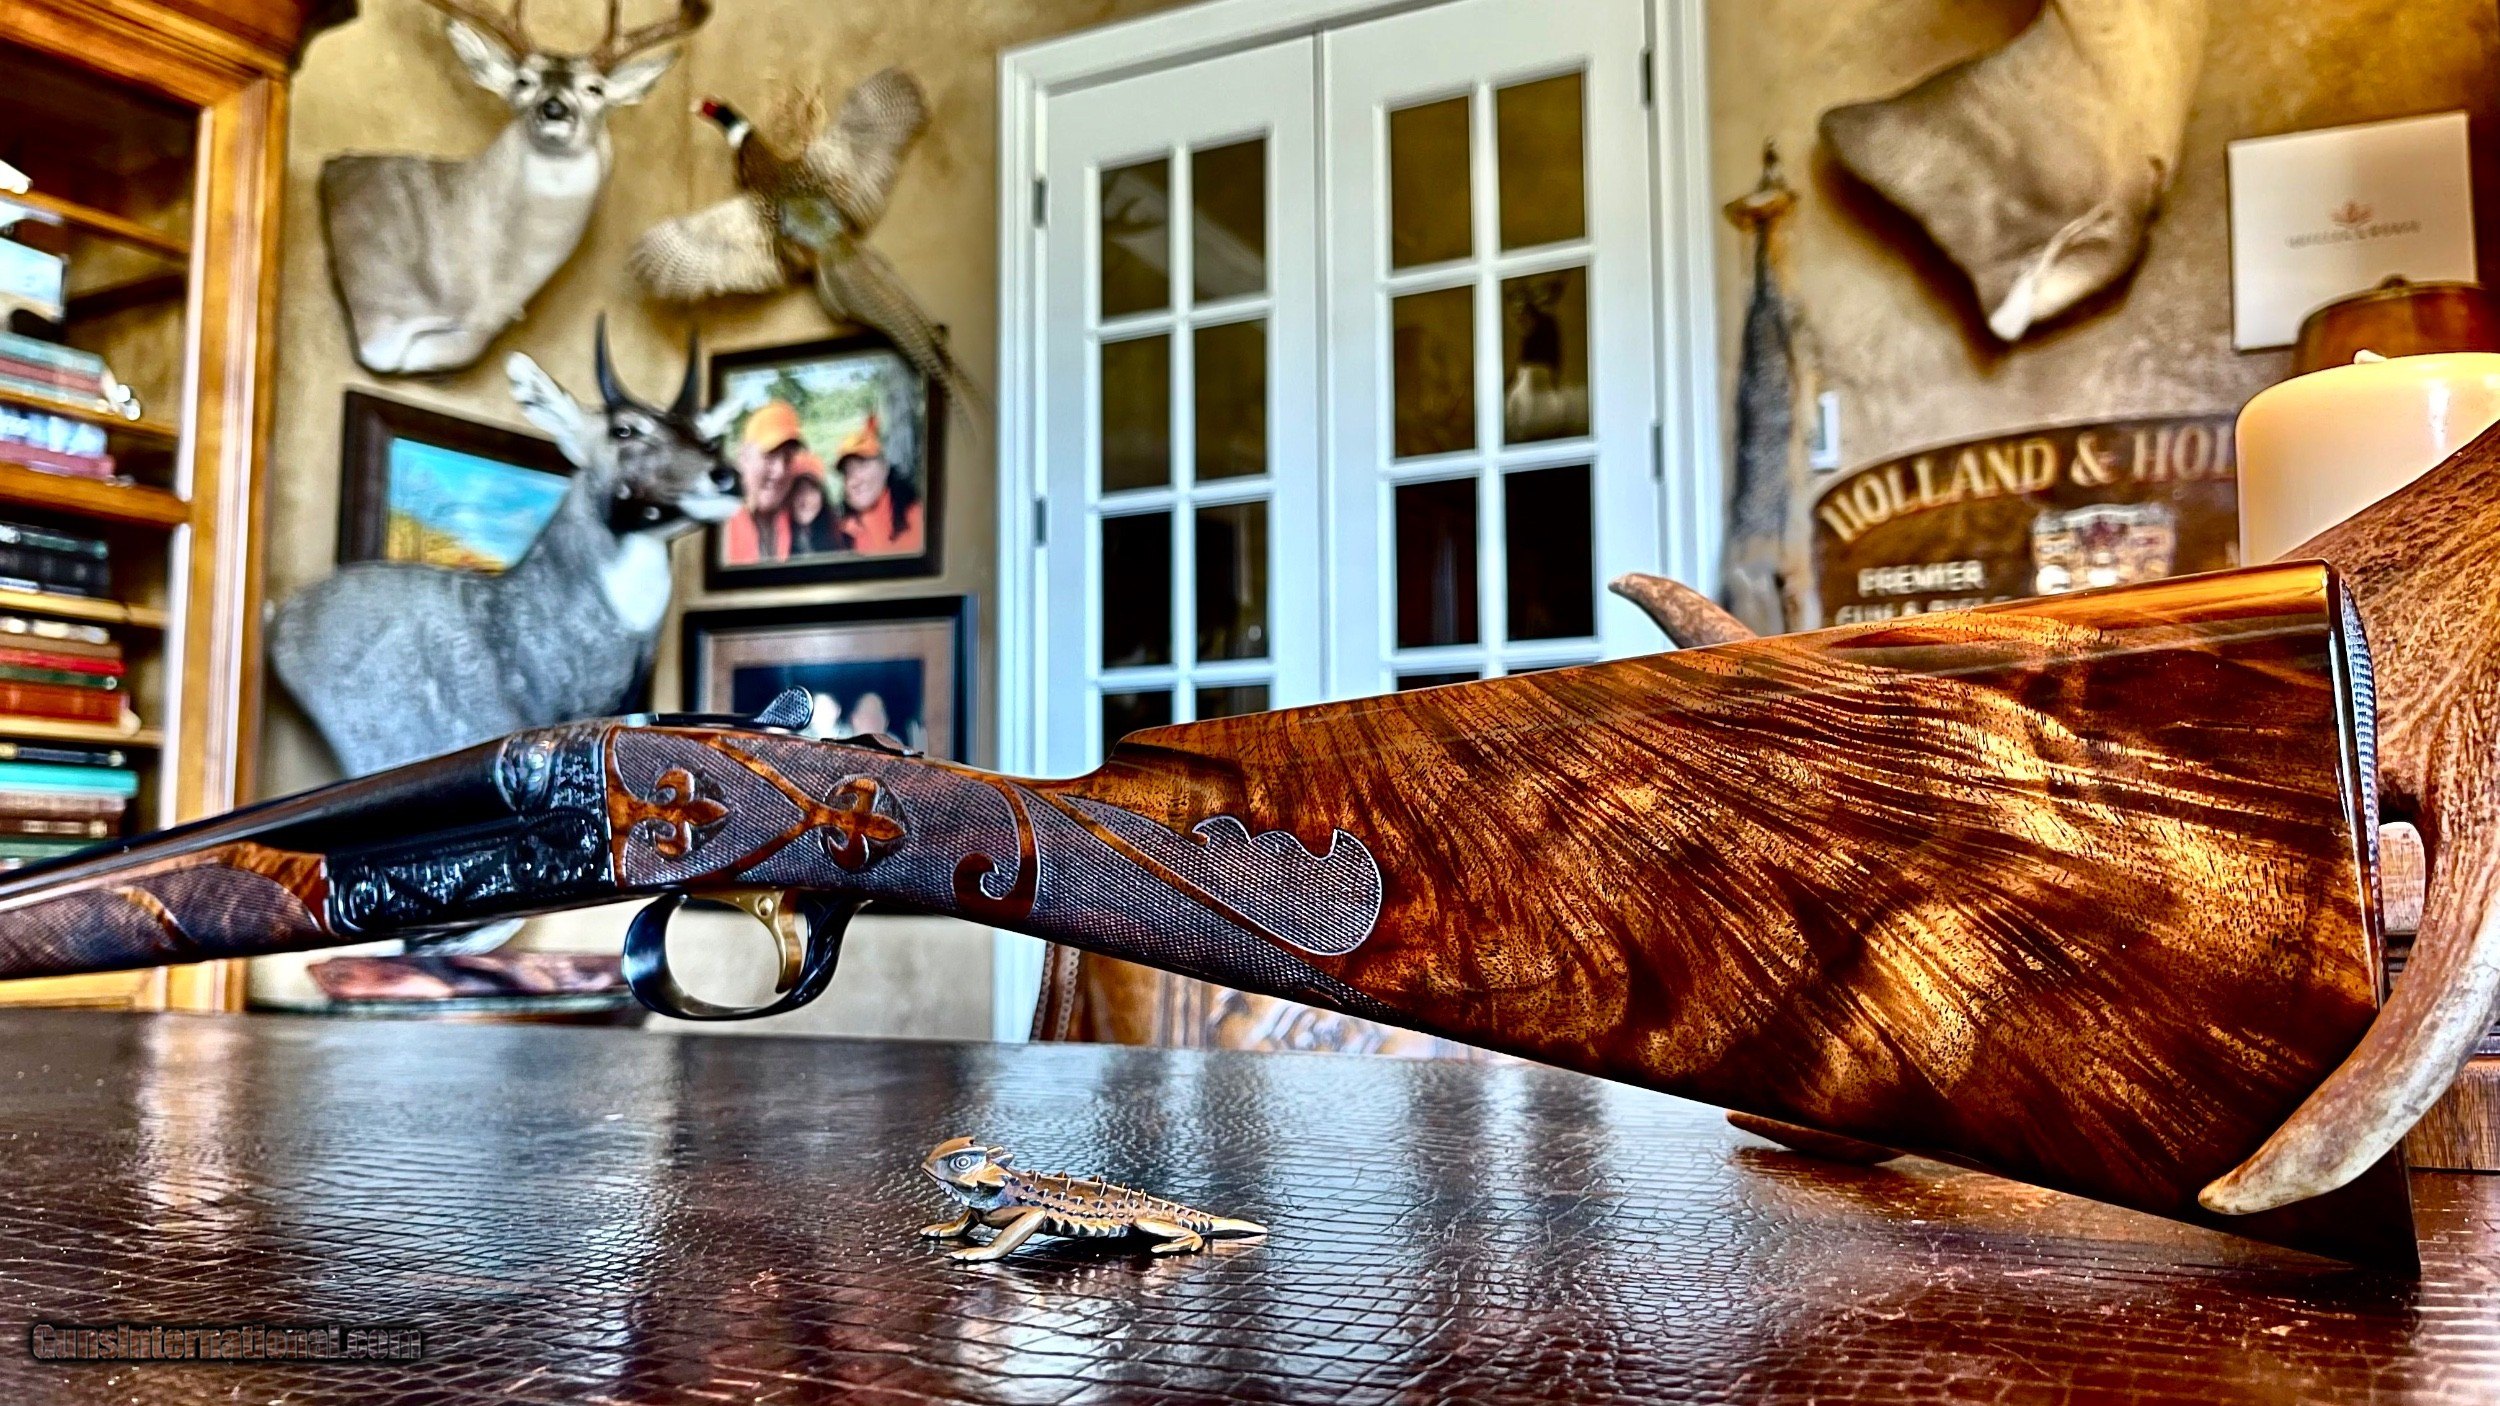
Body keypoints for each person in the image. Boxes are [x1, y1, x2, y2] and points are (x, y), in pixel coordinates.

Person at [723, 400, 804, 563]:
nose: (780, 471)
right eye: (770, 455)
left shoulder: (804, 520)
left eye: (788, 459)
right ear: (744, 457)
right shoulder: (719, 527)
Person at [833, 414, 923, 555]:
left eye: (862, 465)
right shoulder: (838, 531)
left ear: (884, 467)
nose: (855, 481)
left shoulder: (917, 516)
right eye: (848, 472)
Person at [784, 462, 848, 556]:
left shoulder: (839, 532)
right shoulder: (776, 537)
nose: (806, 500)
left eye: (812, 491)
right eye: (798, 491)